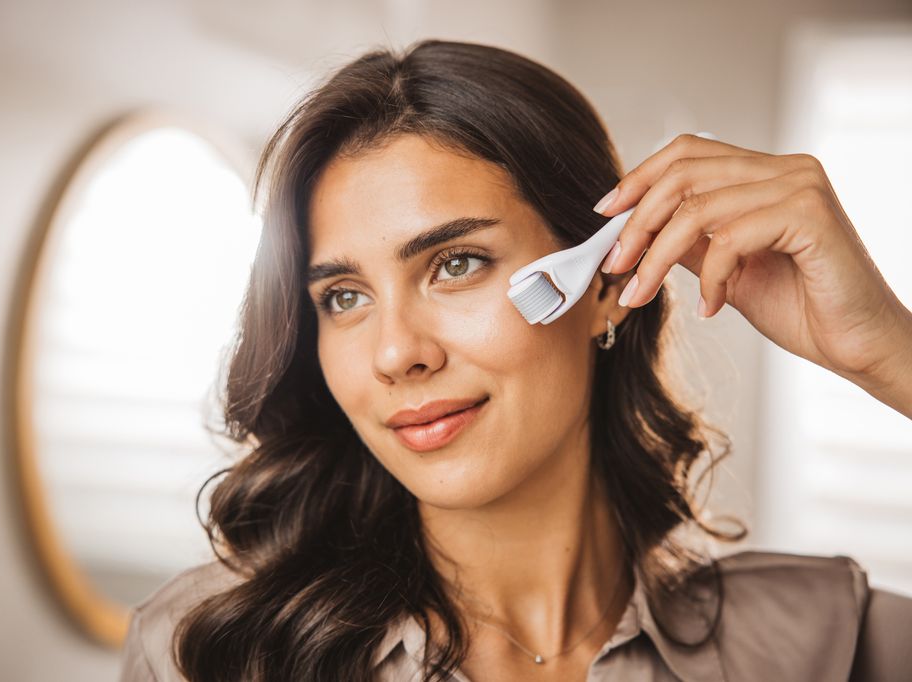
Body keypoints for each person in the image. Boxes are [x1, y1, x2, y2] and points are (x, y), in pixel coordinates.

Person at [118, 39, 912, 681]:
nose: (397, 353)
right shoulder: (208, 652)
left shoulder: (832, 644)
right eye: (344, 297)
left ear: (606, 283)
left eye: (456, 263)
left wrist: (889, 355)